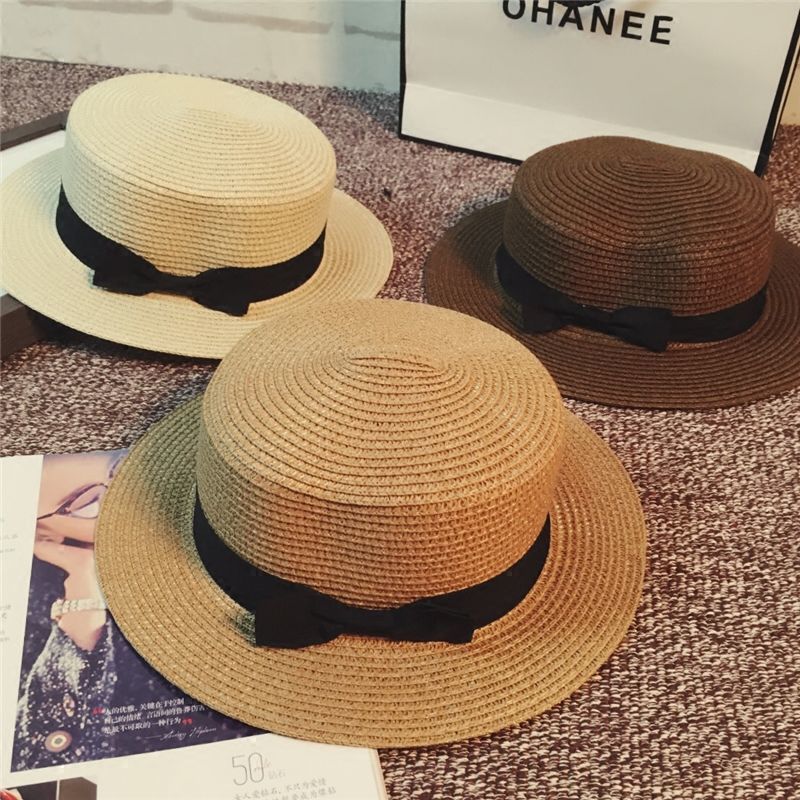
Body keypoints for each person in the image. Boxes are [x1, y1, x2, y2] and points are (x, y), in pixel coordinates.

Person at [13, 451, 254, 770]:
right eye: (88, 502)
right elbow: (43, 754)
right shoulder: (33, 616)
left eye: (120, 471)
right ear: (45, 535)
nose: (126, 496)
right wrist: (82, 604)